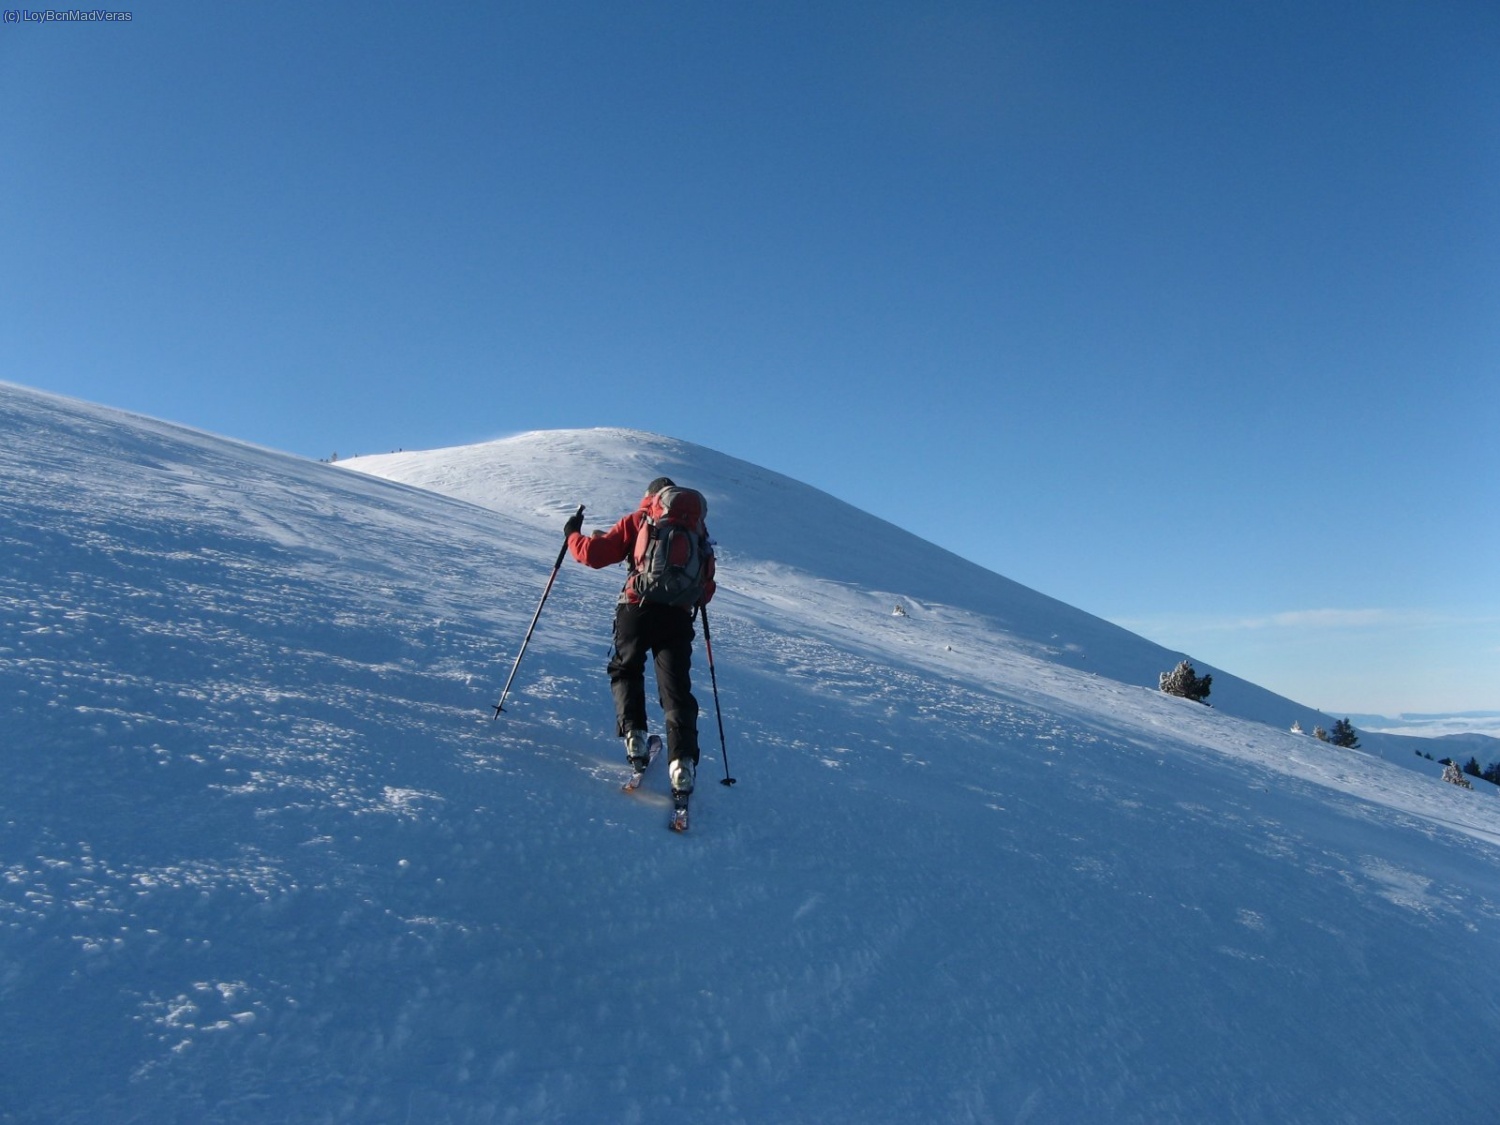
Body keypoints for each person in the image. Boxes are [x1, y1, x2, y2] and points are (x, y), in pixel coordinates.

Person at [564, 477, 715, 796]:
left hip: (637, 609)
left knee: (627, 668)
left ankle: (635, 735)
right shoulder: (697, 530)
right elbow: (706, 587)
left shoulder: (641, 519)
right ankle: (682, 762)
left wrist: (572, 534)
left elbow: (593, 555)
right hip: (676, 617)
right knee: (676, 690)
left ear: (651, 497)